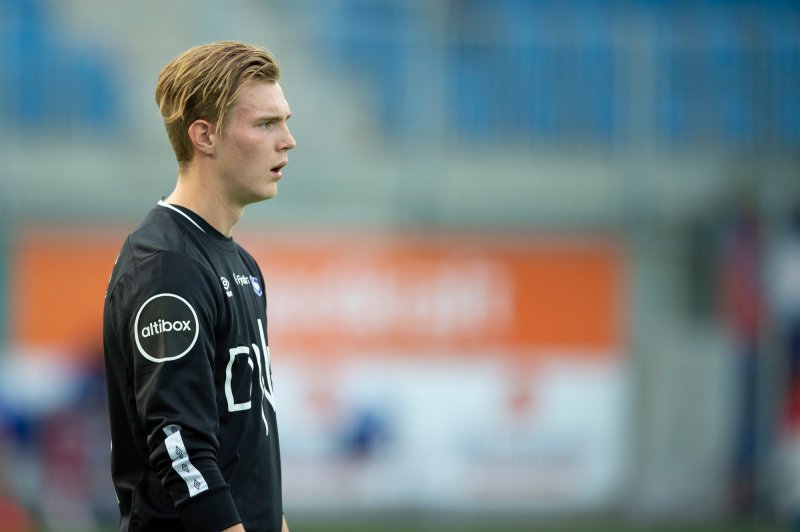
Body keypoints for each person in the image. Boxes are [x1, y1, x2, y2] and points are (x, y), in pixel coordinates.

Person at [103, 41, 296, 531]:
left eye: (285, 121)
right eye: (266, 124)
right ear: (204, 136)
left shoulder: (241, 264)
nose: (288, 140)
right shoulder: (167, 266)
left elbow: (248, 451)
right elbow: (180, 449)